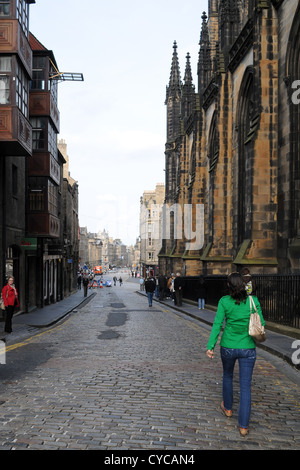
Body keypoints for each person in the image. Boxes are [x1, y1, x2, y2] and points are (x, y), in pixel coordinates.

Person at [206, 272, 265, 437]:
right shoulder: (254, 301)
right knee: (245, 386)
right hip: (248, 347)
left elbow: (217, 324)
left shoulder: (224, 301)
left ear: (228, 285)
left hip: (228, 346)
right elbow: (262, 323)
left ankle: (228, 408)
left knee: (227, 376)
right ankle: (244, 426)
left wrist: (210, 346)